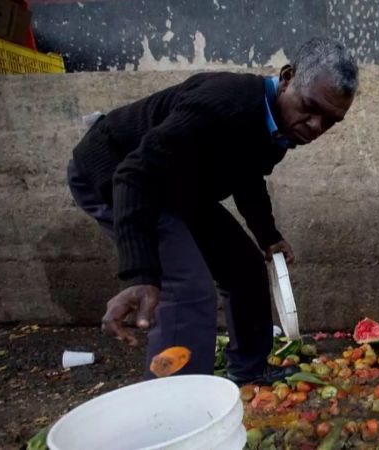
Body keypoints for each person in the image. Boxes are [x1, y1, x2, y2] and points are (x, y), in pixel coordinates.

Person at [67, 38, 357, 385]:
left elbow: (248, 175)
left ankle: (249, 371)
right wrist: (140, 273)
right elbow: (133, 175)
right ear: (287, 77)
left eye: (330, 121)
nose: (314, 126)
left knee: (245, 267)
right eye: (310, 108)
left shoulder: (279, 127)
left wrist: (268, 236)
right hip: (116, 174)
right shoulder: (223, 103)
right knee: (187, 288)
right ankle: (177, 409)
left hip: (178, 187)